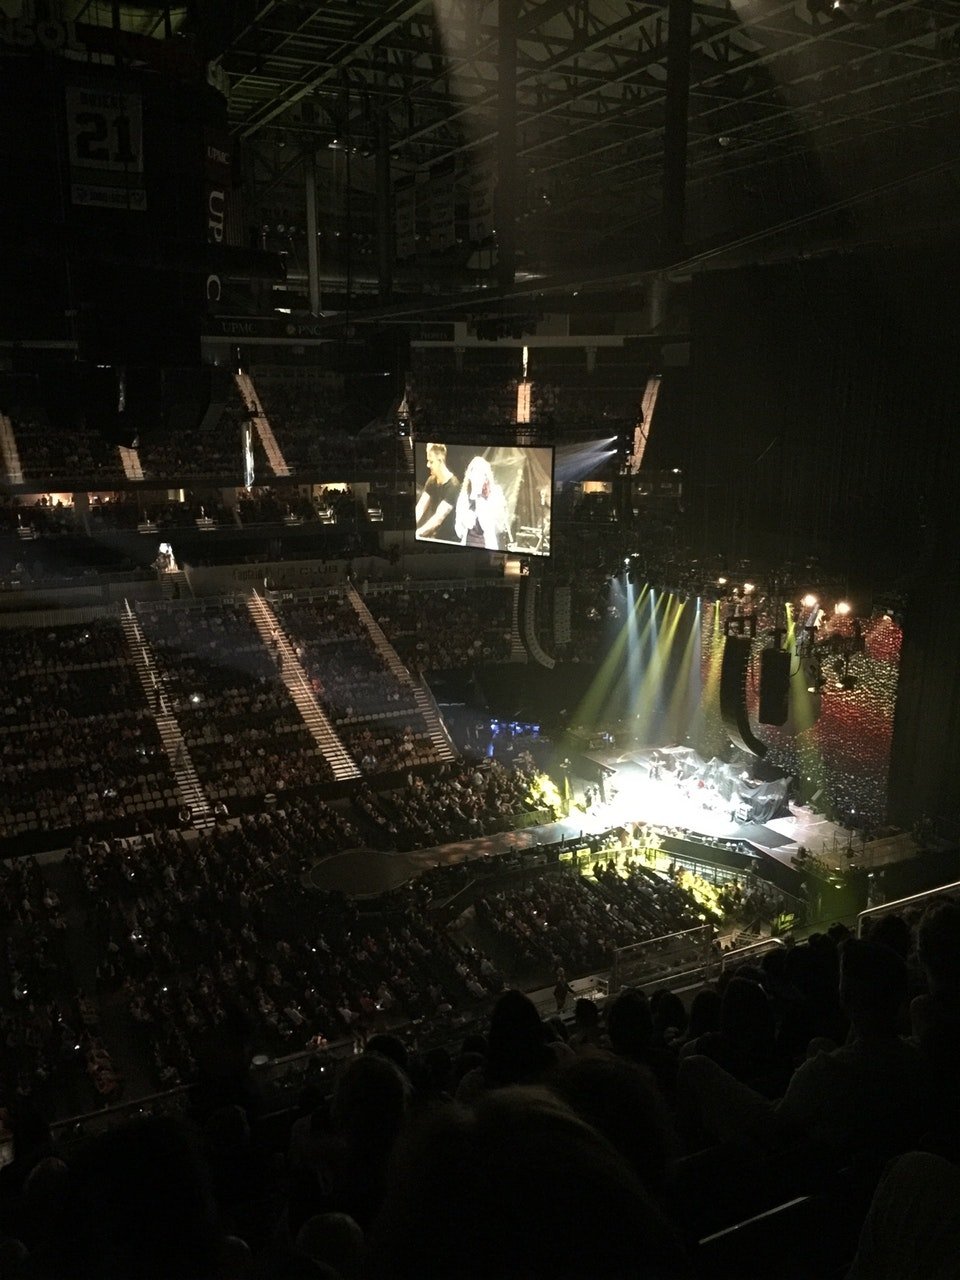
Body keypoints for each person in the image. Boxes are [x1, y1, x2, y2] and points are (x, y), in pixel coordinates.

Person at [454, 455, 510, 550]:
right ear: (470, 475)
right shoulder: (464, 497)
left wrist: (481, 503)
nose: (477, 476)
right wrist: (464, 521)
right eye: (474, 472)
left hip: (487, 548)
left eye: (480, 473)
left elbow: (499, 527)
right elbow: (458, 532)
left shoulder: (495, 495)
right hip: (467, 546)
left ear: (486, 477)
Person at [415, 443, 460, 543]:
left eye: (431, 461)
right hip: (432, 536)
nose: (428, 465)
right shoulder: (431, 480)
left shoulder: (454, 486)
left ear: (440, 461)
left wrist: (417, 533)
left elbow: (438, 519)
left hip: (447, 540)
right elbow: (420, 507)